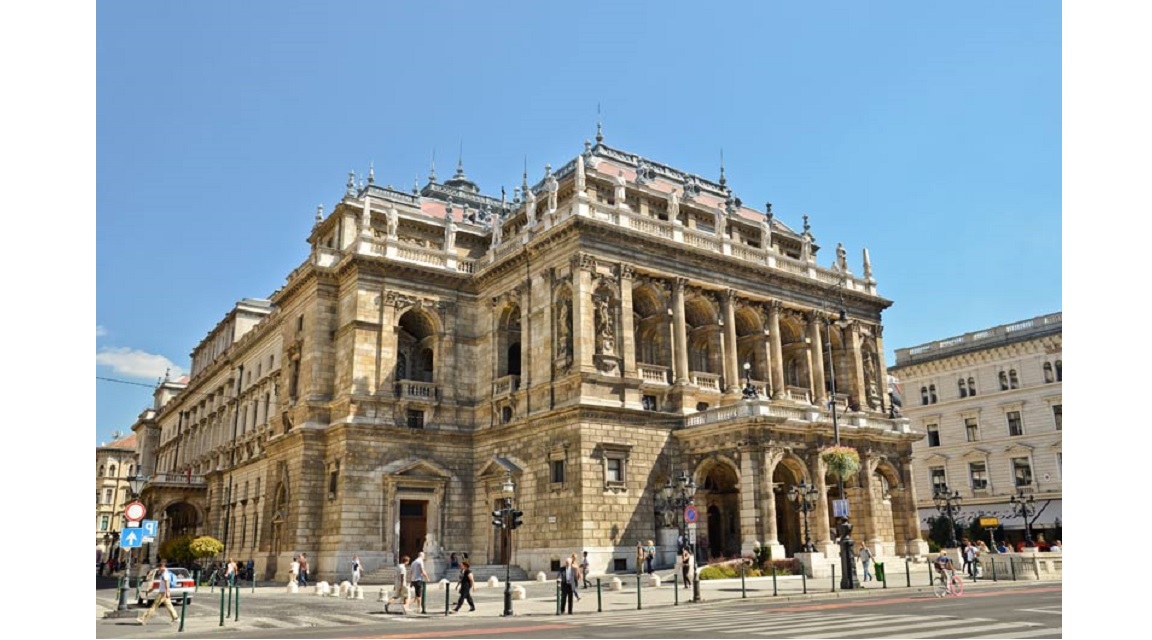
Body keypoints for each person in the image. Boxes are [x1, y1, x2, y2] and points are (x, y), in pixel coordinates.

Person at [137, 560, 179, 625]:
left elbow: (166, 583)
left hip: (163, 593)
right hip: (163, 592)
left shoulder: (165, 574)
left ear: (162, 567)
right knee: (169, 605)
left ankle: (143, 619)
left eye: (159, 568)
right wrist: (152, 589)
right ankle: (175, 618)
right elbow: (161, 584)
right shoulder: (164, 573)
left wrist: (167, 591)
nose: (159, 569)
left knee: (154, 606)